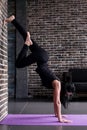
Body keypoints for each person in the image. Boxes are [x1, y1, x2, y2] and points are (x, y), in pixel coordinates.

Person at [4, 15, 72, 123]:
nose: (68, 96)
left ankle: (13, 20)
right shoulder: (57, 84)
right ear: (65, 89)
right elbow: (57, 102)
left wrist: (56, 115)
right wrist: (60, 119)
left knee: (26, 36)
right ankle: (26, 44)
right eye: (68, 94)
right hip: (41, 57)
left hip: (44, 56)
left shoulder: (57, 83)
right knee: (18, 64)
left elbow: (56, 102)